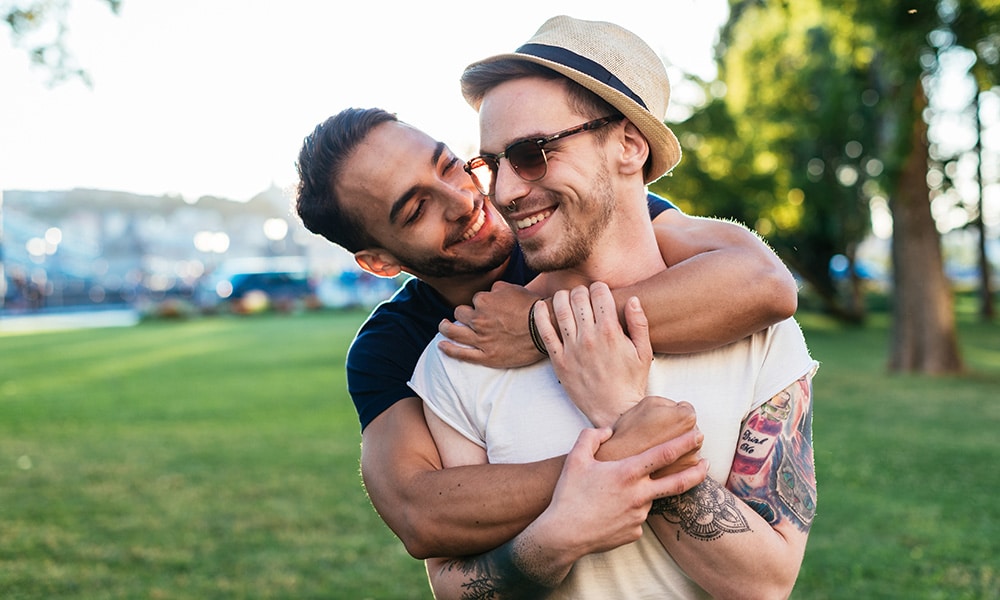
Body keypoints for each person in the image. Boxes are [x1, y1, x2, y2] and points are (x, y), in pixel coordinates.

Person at [410, 15, 818, 599]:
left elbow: (764, 584)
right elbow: (455, 588)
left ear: (629, 144)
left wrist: (621, 411)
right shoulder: (464, 354)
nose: (503, 191)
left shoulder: (763, 340)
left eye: (531, 153)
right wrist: (553, 542)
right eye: (491, 163)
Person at [295, 111, 798, 561]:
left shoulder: (575, 217)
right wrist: (612, 461)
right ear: (380, 262)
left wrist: (539, 323)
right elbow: (418, 512)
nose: (464, 198)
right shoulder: (391, 346)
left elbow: (764, 284)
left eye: (448, 165)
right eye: (415, 210)